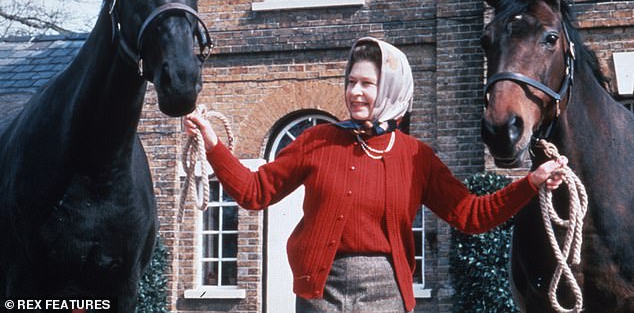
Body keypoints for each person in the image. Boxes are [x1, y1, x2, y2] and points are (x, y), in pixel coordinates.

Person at [184, 37, 566, 313]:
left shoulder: (416, 156)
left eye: (367, 84)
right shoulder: (316, 141)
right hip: (320, 292)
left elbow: (470, 214)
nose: (355, 92)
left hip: (387, 294)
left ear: (391, 90)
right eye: (351, 82)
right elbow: (255, 192)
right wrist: (214, 144)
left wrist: (529, 184)